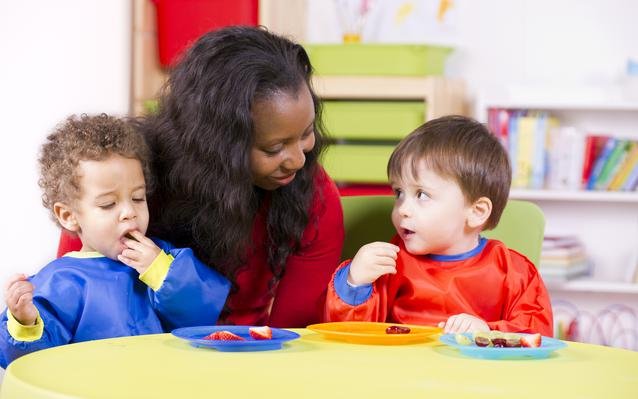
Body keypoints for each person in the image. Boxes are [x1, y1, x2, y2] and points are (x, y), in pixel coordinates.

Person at [135, 26, 344, 328]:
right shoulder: (128, 177)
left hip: (251, 356)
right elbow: (78, 290)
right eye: (273, 148)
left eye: (307, 133)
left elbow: (295, 331)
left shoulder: (313, 194)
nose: (299, 160)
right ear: (215, 145)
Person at [0, 114, 230, 368]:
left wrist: (163, 272)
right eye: (108, 204)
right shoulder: (61, 280)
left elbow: (201, 314)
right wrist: (25, 324)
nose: (129, 212)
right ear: (68, 216)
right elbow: (32, 364)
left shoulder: (160, 258)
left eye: (138, 198)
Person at [325, 115, 553, 337]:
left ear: (476, 212)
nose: (402, 208)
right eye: (399, 193)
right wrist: (355, 283)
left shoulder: (513, 272)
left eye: (421, 194)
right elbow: (350, 336)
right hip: (403, 372)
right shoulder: (391, 262)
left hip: (476, 374)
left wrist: (488, 333)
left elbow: (537, 335)